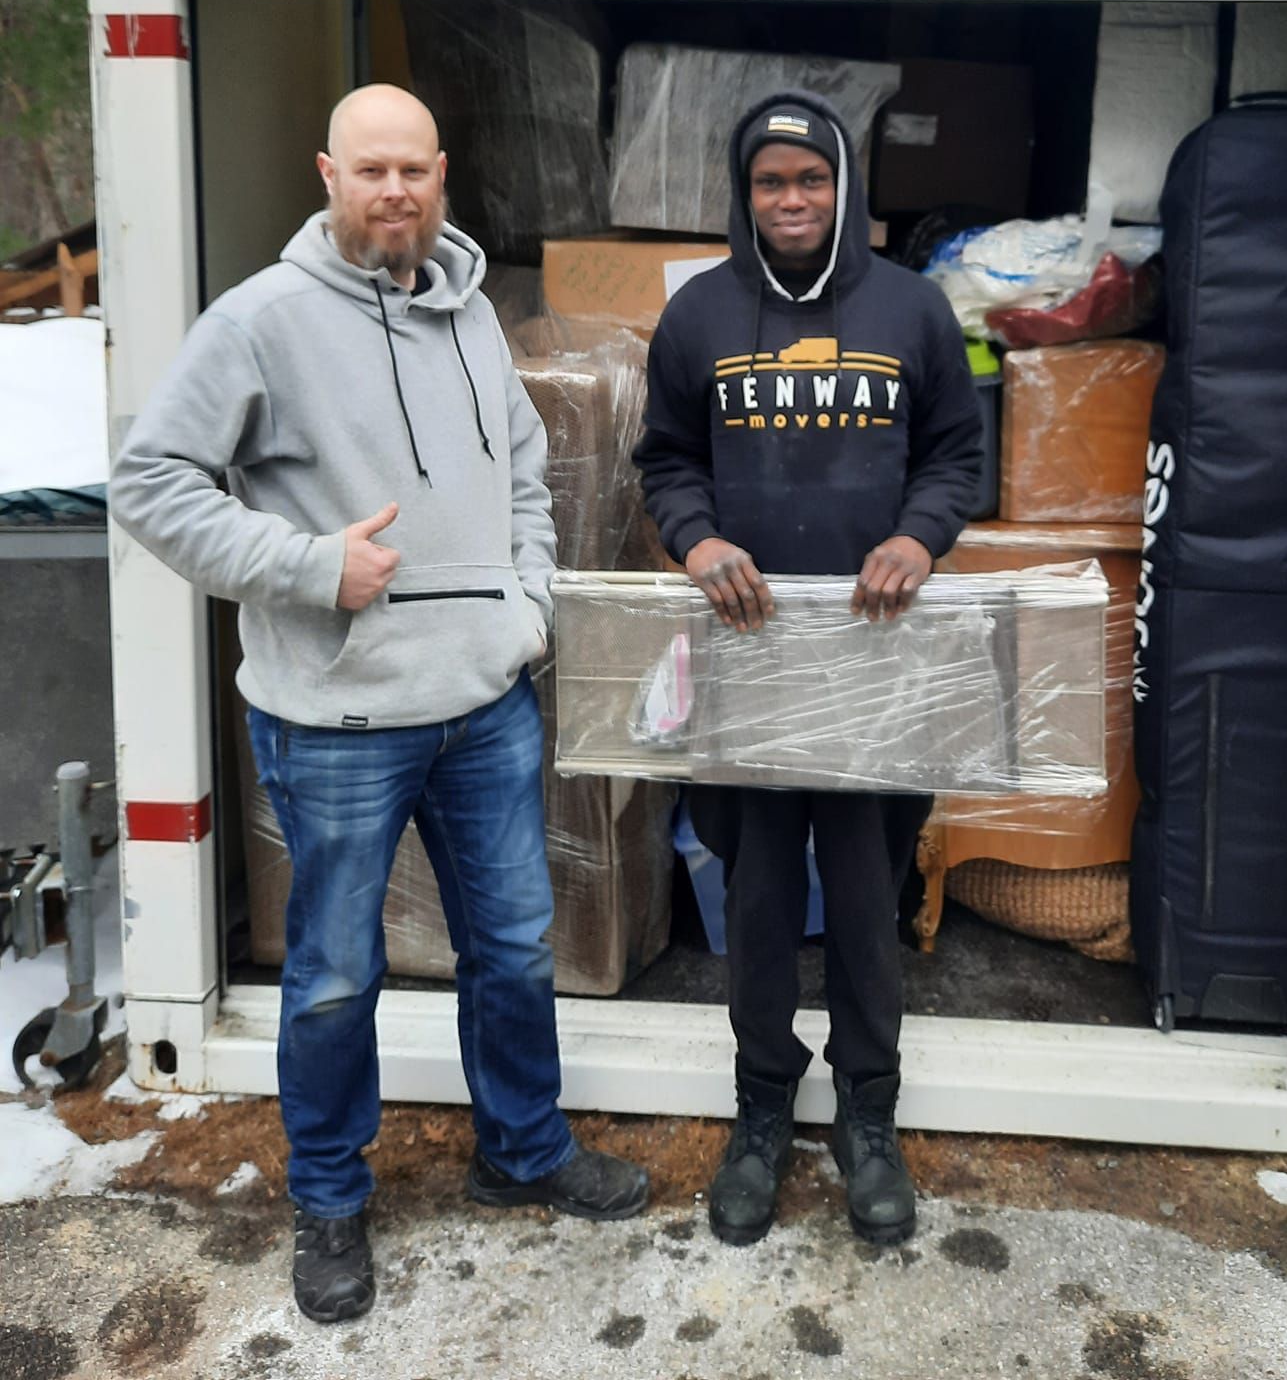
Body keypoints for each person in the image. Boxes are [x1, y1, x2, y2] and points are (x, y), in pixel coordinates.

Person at [111, 84, 648, 1326]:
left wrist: (527, 607)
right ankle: (330, 1196)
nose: (395, 189)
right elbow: (150, 480)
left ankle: (522, 1149)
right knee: (335, 973)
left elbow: (526, 472)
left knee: (513, 946)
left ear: (441, 172)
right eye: (371, 170)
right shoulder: (261, 320)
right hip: (337, 722)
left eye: (413, 168)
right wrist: (310, 566)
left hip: (484, 704)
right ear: (329, 174)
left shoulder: (474, 314)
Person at [635, 91, 983, 1247]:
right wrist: (697, 540)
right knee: (761, 896)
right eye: (770, 182)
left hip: (879, 667)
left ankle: (868, 1115)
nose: (792, 200)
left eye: (812, 179)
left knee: (871, 900)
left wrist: (919, 535)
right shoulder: (698, 315)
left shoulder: (912, 308)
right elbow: (667, 460)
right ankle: (762, 1110)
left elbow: (957, 453)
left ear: (845, 185)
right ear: (745, 194)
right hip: (750, 664)